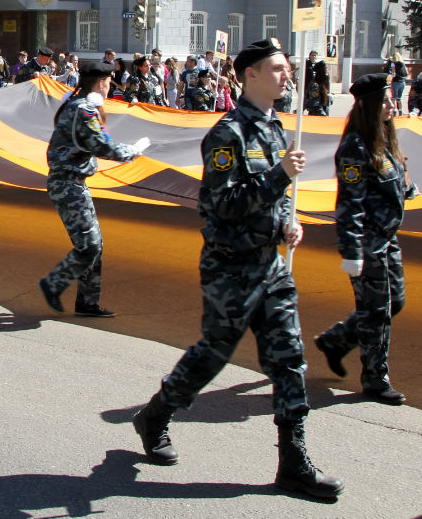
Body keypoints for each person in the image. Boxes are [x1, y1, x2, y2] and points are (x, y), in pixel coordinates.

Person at [129, 38, 343, 500]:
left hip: (272, 264)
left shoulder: (276, 128)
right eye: (278, 69)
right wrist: (280, 175)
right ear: (250, 75)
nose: (287, 76)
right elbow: (223, 205)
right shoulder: (228, 135)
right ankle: (156, 415)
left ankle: (293, 462)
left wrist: (291, 220)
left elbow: (278, 197)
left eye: (287, 69)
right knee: (213, 353)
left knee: (289, 360)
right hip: (232, 267)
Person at [313, 74, 416, 405]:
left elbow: (390, 181)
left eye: (391, 99)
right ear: (368, 105)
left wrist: (407, 186)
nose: (391, 104)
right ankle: (375, 377)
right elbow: (350, 203)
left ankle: (337, 340)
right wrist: (352, 249)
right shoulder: (355, 147)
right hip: (369, 242)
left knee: (393, 302)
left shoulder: (382, 139)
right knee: (377, 310)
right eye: (384, 100)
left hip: (388, 238)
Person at [39, 62, 150, 318]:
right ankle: (54, 283)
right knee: (89, 245)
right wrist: (133, 150)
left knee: (95, 244)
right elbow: (101, 145)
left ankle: (87, 301)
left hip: (74, 183)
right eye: (109, 83)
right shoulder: (84, 109)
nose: (110, 88)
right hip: (67, 184)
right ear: (101, 82)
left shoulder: (77, 103)